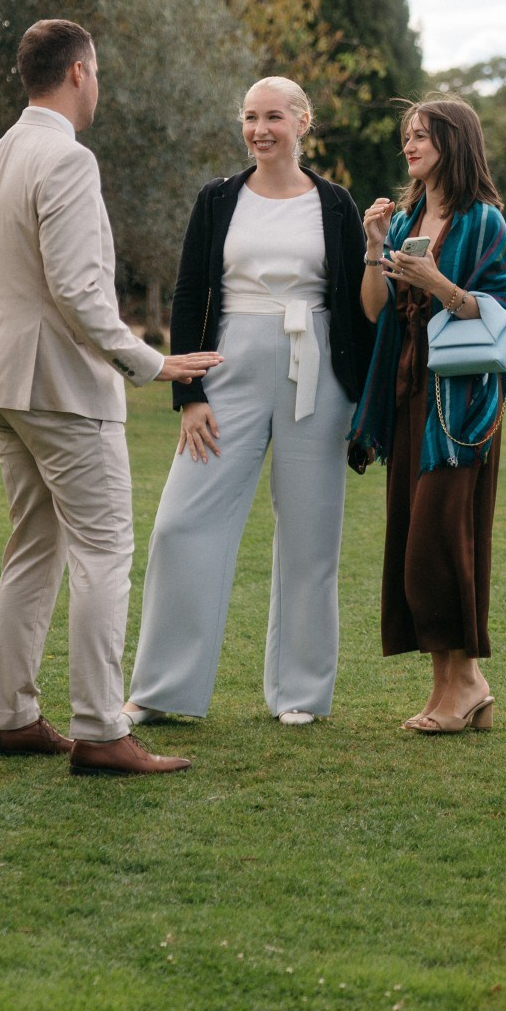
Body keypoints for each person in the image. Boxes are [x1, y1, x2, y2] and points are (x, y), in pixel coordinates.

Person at [0, 18, 222, 776]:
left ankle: (12, 718)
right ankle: (103, 729)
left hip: (0, 380)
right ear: (79, 72)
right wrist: (150, 361)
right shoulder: (67, 160)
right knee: (104, 549)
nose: (100, 85)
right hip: (61, 388)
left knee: (34, 546)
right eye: (99, 72)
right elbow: (78, 289)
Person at [125, 78, 373, 727]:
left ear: (302, 121)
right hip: (228, 366)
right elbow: (187, 296)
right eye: (249, 117)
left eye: (273, 117)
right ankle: (160, 691)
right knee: (180, 523)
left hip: (314, 373)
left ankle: (301, 694)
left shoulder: (335, 204)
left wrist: (364, 405)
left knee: (310, 538)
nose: (260, 128)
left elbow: (354, 307)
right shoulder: (217, 201)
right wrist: (189, 394)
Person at [350, 96, 506, 733]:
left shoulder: (484, 224)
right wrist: (374, 245)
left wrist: (438, 284)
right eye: (407, 136)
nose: (410, 146)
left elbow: (498, 312)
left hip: (462, 408)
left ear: (455, 143)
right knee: (412, 539)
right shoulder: (404, 221)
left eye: (422, 136)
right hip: (407, 394)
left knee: (440, 541)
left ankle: (467, 680)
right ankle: (447, 688)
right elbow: (374, 310)